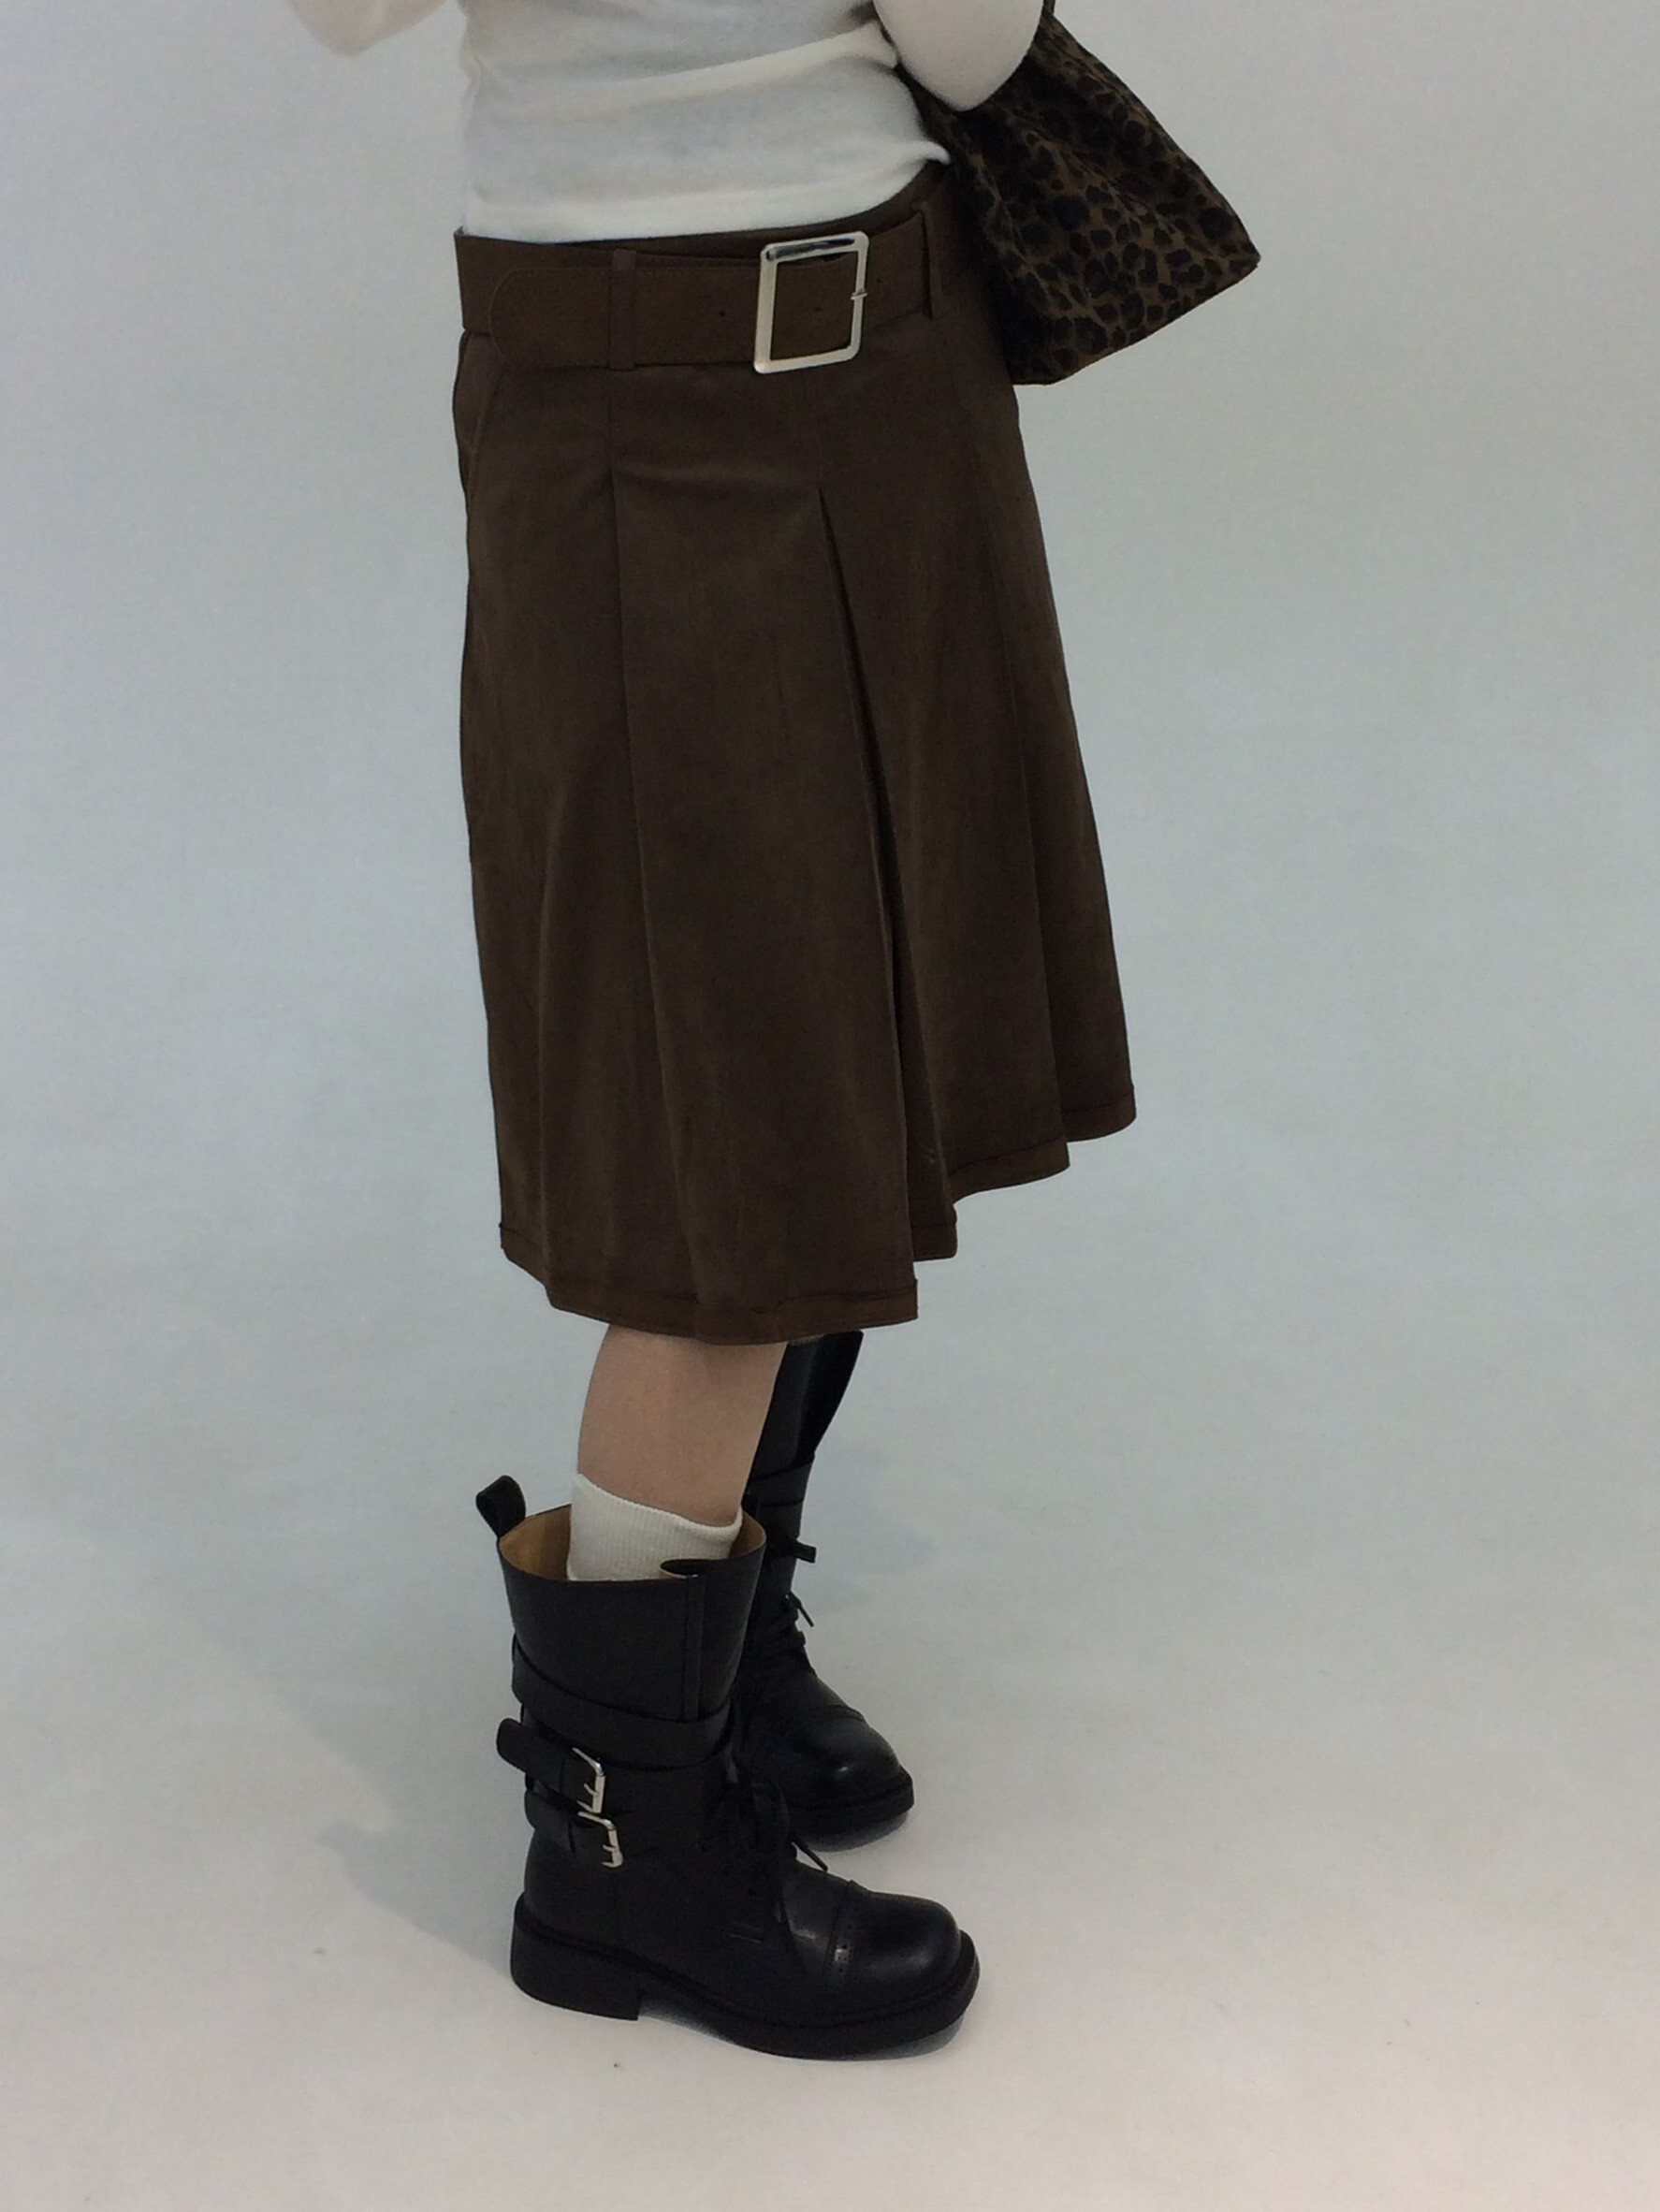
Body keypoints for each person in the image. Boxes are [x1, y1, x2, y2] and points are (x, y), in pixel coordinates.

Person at [285, 0, 1135, 2059]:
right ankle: (622, 1864)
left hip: (891, 354)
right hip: (631, 385)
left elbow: (959, 36)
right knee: (726, 1156)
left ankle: (718, 1660)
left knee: (837, 1073)